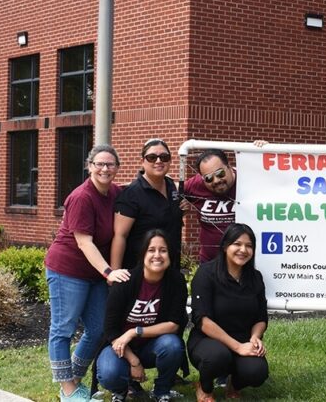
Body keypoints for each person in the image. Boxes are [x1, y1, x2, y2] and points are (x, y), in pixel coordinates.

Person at [45, 145, 129, 402]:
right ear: (89, 166)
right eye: (99, 164)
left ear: (117, 168)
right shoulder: (82, 197)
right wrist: (108, 271)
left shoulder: (114, 192)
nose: (105, 169)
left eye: (110, 164)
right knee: (63, 329)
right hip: (67, 270)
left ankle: (74, 380)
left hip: (94, 274)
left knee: (97, 328)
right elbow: (84, 242)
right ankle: (69, 392)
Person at [96, 230, 188, 402]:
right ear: (143, 253)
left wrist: (134, 331)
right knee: (109, 372)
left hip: (153, 346)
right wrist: (133, 361)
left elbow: (173, 324)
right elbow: (111, 331)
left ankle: (161, 391)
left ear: (170, 254)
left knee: (172, 345)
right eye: (151, 250)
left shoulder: (176, 281)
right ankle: (121, 390)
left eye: (163, 250)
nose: (157, 255)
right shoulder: (124, 282)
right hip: (120, 347)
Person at [188, 223, 269, 402]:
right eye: (237, 244)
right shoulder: (206, 273)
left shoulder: (255, 278)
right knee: (217, 356)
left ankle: (235, 384)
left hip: (243, 340)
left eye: (249, 246)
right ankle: (205, 387)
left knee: (257, 372)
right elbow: (202, 320)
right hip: (207, 341)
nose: (243, 250)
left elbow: (261, 317)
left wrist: (255, 338)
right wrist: (237, 347)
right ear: (225, 246)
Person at [183, 142, 265, 264]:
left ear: (229, 166)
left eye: (220, 173)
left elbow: (274, 181)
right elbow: (170, 191)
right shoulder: (195, 185)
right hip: (210, 263)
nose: (216, 180)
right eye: (209, 178)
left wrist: (266, 150)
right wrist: (180, 206)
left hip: (245, 262)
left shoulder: (248, 180)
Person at [111, 139, 183, 276]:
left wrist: (181, 211)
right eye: (152, 157)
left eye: (164, 157)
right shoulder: (131, 194)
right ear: (142, 162)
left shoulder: (172, 186)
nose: (158, 161)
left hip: (170, 270)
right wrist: (115, 273)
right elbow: (120, 236)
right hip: (140, 272)